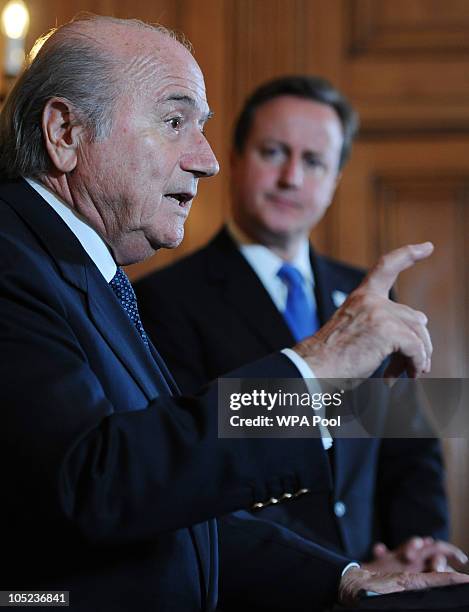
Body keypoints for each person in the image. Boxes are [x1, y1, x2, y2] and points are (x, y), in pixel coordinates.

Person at [0, 15, 466, 612]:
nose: (206, 160)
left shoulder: (90, 274)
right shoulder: (16, 260)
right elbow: (96, 483)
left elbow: (180, 510)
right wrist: (314, 371)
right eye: (174, 121)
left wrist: (346, 577)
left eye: (203, 128)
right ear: (65, 132)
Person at [135, 75, 468, 607]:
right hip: (261, 588)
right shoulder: (162, 300)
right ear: (237, 159)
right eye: (273, 152)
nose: (291, 177)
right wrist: (343, 571)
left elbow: (410, 444)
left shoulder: (367, 294)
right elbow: (195, 462)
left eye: (314, 161)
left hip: (381, 588)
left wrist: (417, 546)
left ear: (335, 179)